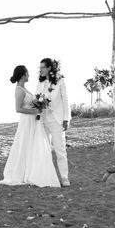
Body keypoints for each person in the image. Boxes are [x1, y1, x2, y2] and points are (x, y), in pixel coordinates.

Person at [0, 65, 61, 188]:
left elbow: (29, 104)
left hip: (33, 121)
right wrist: (35, 111)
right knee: (25, 144)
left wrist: (39, 105)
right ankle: (23, 173)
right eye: (27, 73)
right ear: (22, 75)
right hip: (27, 121)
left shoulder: (25, 89)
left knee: (33, 145)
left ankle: (33, 171)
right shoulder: (19, 90)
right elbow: (18, 109)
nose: (29, 75)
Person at [35, 58, 71, 187]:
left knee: (60, 150)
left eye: (42, 67)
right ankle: (47, 177)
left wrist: (66, 118)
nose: (40, 70)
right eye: (40, 68)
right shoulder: (40, 82)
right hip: (43, 120)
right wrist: (38, 102)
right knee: (45, 149)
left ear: (49, 68)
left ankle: (64, 177)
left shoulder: (60, 81)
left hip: (57, 120)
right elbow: (36, 97)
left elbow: (65, 100)